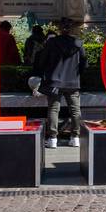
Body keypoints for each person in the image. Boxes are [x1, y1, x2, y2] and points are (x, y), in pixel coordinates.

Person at [35, 17, 85, 148]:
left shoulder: (51, 42)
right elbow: (84, 64)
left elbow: (42, 60)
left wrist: (47, 71)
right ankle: (75, 137)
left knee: (53, 109)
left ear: (59, 29)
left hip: (55, 81)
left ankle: (52, 139)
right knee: (75, 110)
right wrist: (77, 74)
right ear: (71, 29)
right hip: (72, 81)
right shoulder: (78, 43)